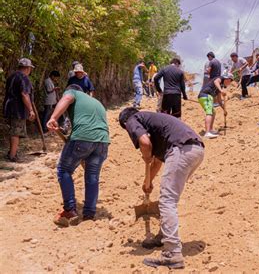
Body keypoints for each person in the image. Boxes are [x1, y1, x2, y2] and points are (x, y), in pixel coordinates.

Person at [118, 108, 205, 270]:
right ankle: (164, 235)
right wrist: (148, 181)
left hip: (181, 149)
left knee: (167, 201)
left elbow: (144, 143)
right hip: (195, 150)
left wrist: (146, 154)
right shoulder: (153, 121)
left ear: (125, 124)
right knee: (170, 199)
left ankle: (172, 253)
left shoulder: (131, 119)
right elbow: (158, 161)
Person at [47, 84, 110, 226]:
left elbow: (68, 97)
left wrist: (53, 117)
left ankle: (70, 209)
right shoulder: (96, 102)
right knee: (92, 176)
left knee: (64, 170)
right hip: (102, 142)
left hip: (83, 138)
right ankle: (89, 213)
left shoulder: (72, 92)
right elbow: (86, 124)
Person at [2, 58, 36, 162]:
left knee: (14, 130)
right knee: (16, 132)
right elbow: (24, 94)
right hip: (18, 109)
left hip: (9, 106)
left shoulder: (11, 76)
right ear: (27, 68)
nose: (30, 71)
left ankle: (12, 152)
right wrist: (30, 109)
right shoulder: (24, 78)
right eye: (30, 68)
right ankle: (12, 156)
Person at [197, 73, 232, 139]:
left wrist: (224, 109)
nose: (230, 83)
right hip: (205, 95)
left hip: (207, 97)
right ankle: (207, 132)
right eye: (230, 81)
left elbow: (219, 100)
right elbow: (216, 81)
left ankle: (210, 130)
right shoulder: (220, 78)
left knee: (213, 112)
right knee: (209, 112)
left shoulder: (220, 86)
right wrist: (221, 91)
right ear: (228, 79)